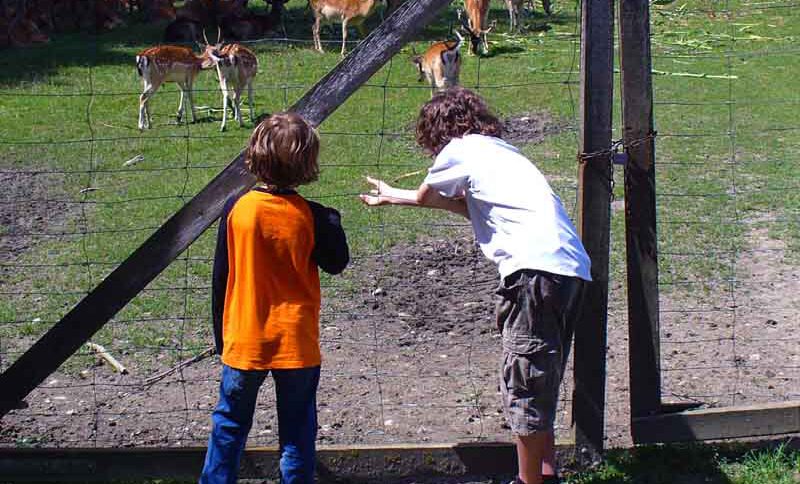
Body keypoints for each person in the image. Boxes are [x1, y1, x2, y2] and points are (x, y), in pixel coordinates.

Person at [359, 87, 590, 484]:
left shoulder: (458, 150)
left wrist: (404, 196)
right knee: (541, 377)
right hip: (569, 271)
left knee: (524, 384)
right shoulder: (503, 152)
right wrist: (394, 197)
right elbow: (476, 212)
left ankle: (528, 482)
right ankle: (546, 475)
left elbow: (427, 195)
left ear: (437, 130)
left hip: (532, 275)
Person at [201, 112, 350, 484]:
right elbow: (337, 262)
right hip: (296, 344)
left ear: (255, 155)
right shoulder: (312, 217)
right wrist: (332, 221)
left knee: (229, 425)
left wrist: (223, 338)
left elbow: (221, 276)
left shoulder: (237, 209)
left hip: (245, 340)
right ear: (307, 164)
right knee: (298, 431)